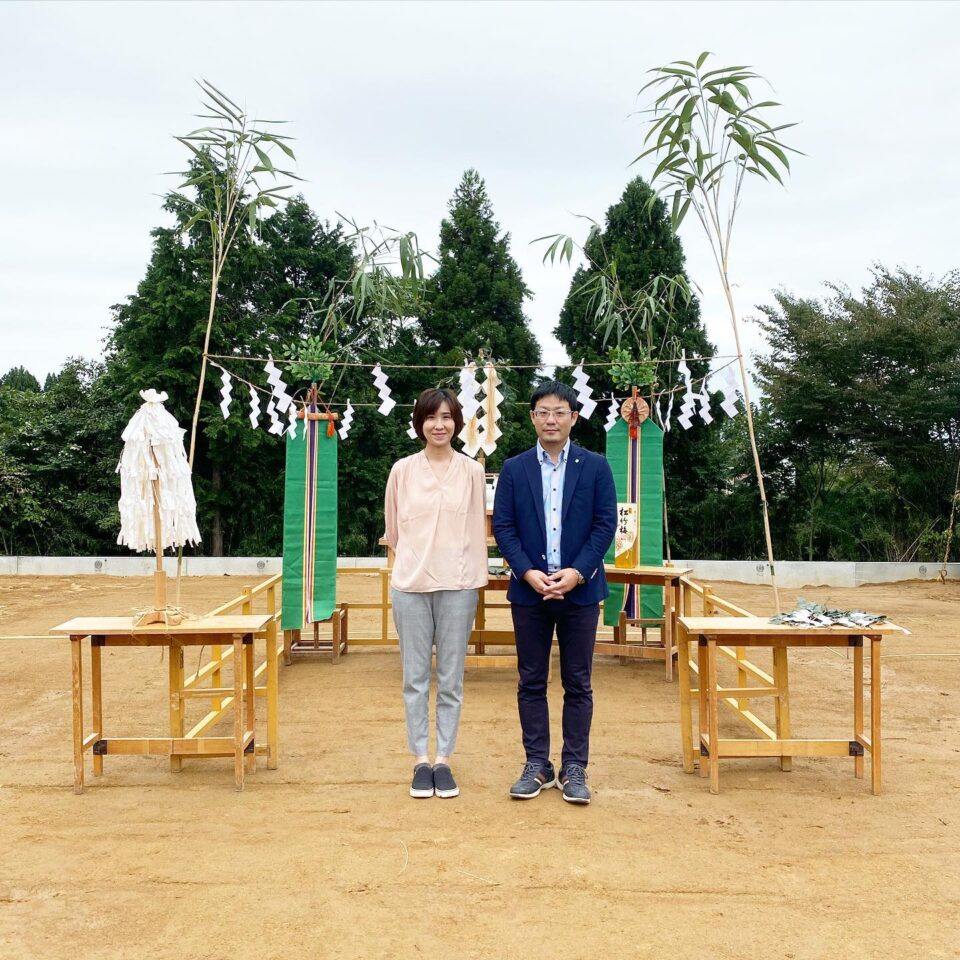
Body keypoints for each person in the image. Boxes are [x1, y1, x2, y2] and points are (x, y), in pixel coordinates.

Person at [492, 380, 616, 805]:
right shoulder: (514, 468)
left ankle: (575, 766)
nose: (551, 419)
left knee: (578, 681)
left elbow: (604, 525)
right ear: (532, 418)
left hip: (579, 594)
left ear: (573, 418)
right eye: (543, 411)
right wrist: (526, 572)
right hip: (529, 593)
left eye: (559, 412)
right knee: (530, 679)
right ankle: (537, 763)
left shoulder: (595, 466)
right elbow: (503, 527)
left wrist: (577, 573)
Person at [384, 388, 488, 799]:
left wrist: (466, 575)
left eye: (447, 417)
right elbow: (393, 531)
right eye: (431, 417)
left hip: (458, 587)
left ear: (457, 423)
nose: (439, 425)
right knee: (414, 678)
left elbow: (478, 530)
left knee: (450, 679)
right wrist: (411, 564)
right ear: (420, 423)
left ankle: (443, 759)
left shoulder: (472, 472)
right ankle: (419, 760)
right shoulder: (402, 471)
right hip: (410, 586)